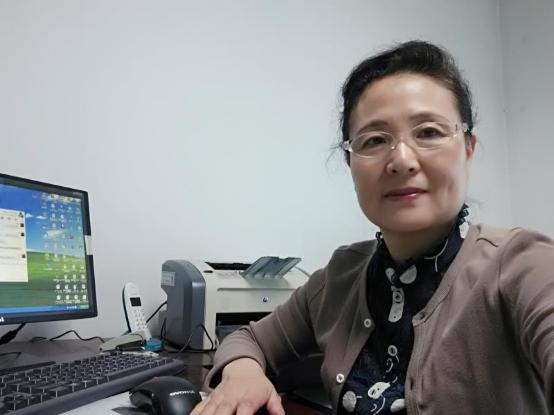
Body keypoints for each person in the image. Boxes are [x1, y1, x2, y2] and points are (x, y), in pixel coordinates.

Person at [191, 40, 554, 415]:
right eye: (375, 140)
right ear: (351, 164)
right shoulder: (340, 278)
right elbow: (249, 339)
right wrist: (243, 373)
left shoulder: (520, 265)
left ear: (468, 149)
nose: (401, 160)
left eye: (429, 132)